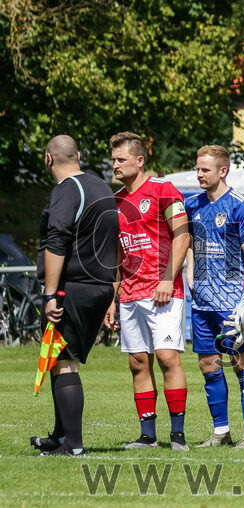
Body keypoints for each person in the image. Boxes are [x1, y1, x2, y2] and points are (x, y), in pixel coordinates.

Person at [103, 132, 191, 450]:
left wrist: (168, 278)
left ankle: (178, 435)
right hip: (129, 294)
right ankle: (148, 436)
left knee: (168, 358)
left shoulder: (163, 190)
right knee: (138, 362)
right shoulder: (114, 202)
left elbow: (183, 236)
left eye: (121, 159)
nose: (115, 164)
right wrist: (112, 299)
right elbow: (117, 254)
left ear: (139, 161)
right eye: (113, 159)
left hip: (163, 292)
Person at [31, 135, 119, 456]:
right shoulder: (101, 187)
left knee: (65, 362)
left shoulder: (68, 190)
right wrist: (111, 294)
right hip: (99, 286)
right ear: (79, 155)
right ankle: (60, 434)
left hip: (74, 287)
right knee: (57, 359)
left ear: (48, 159)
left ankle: (73, 445)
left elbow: (57, 240)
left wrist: (50, 294)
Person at [183, 145, 244, 449]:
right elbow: (190, 242)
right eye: (198, 169)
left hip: (232, 303)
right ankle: (221, 432)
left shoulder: (241, 206)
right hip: (202, 303)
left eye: (205, 169)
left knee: (242, 363)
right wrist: (190, 272)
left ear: (223, 171)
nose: (199, 174)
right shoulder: (192, 204)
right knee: (208, 365)